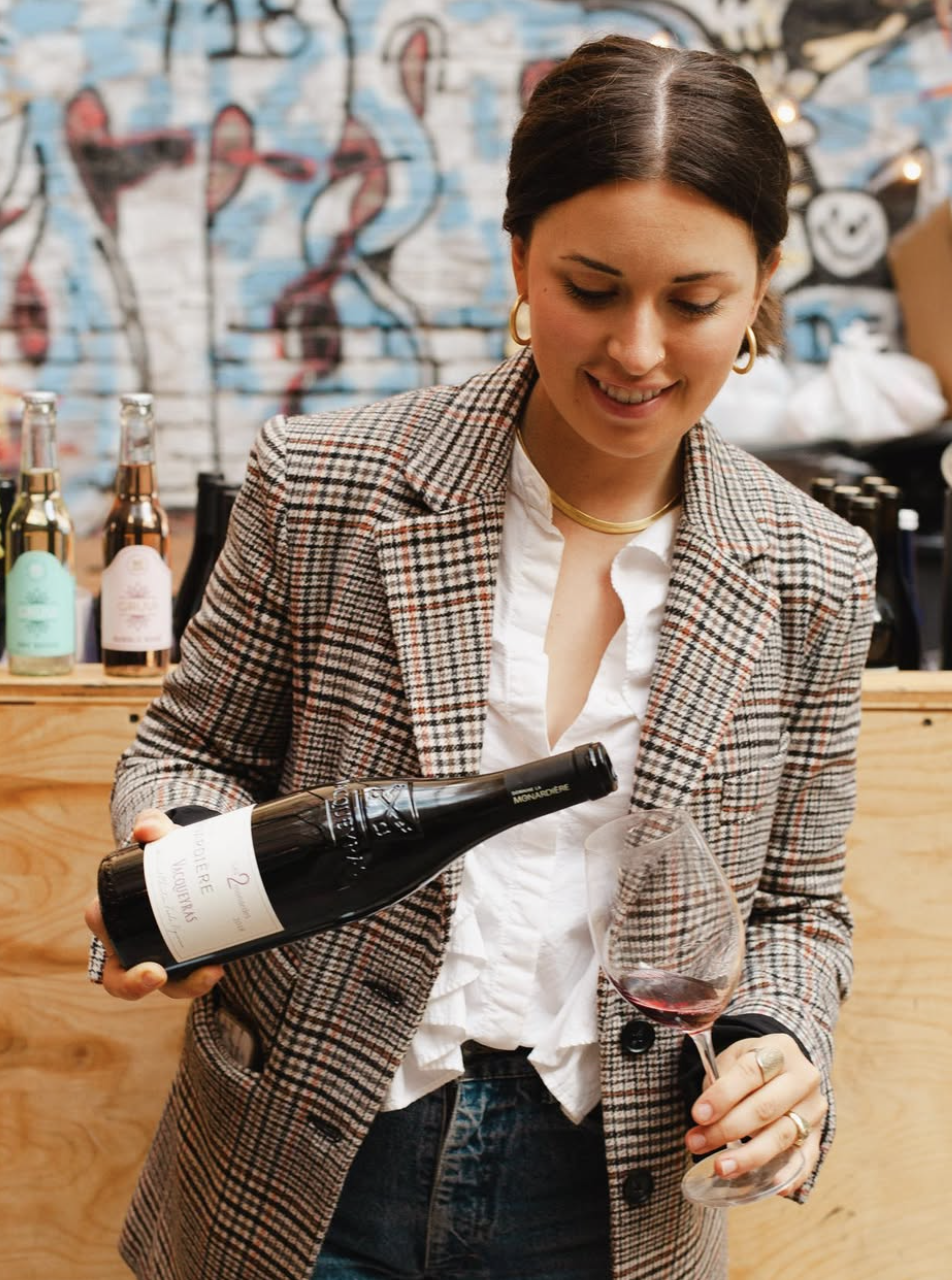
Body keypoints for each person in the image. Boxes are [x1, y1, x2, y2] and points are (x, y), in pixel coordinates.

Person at [85, 33, 875, 1280]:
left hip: (611, 1190)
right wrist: (185, 852)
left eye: (693, 301)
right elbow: (190, 745)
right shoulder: (326, 482)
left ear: (762, 283)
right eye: (592, 286)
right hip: (301, 1158)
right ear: (518, 258)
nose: (635, 351)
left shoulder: (813, 570)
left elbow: (795, 903)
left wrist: (783, 1038)